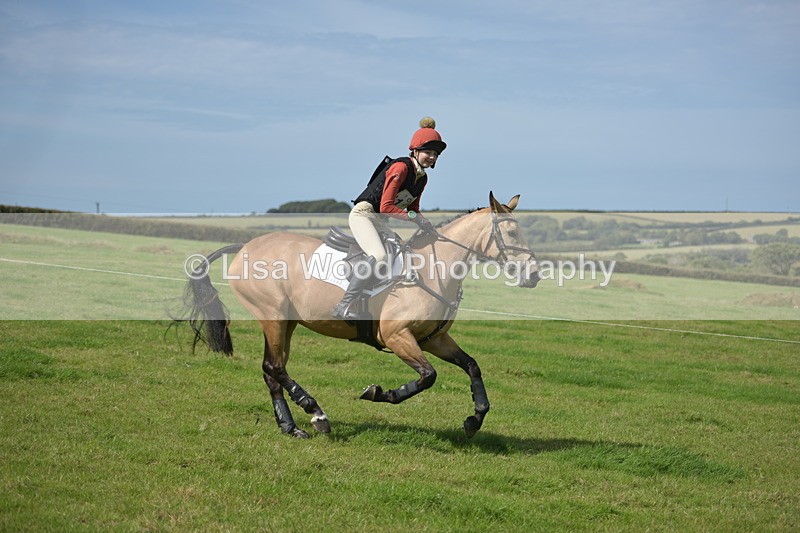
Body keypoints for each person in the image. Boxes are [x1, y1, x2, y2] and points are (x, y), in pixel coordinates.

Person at [331, 117, 445, 320]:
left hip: (379, 222)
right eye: (428, 152)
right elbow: (386, 207)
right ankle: (344, 305)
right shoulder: (400, 168)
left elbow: (414, 208)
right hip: (364, 215)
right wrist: (414, 218)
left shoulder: (422, 178)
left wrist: (427, 224)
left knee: (400, 252)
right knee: (380, 255)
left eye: (435, 154)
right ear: (415, 151)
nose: (432, 157)